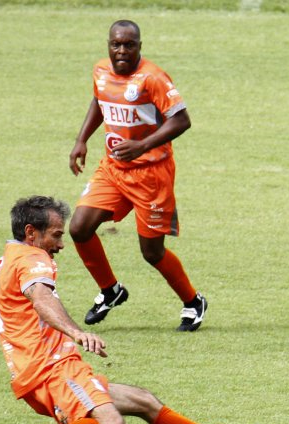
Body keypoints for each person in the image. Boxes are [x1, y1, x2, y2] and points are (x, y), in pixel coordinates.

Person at [0, 196, 262, 424]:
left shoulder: (6, 263)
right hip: (52, 371)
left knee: (144, 401)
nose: (61, 245)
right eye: (56, 236)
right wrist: (76, 331)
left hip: (49, 371)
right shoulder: (34, 260)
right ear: (31, 233)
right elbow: (41, 299)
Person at [68, 19, 206, 331]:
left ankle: (193, 301)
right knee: (79, 228)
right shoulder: (101, 71)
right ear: (108, 44)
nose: (121, 50)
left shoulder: (152, 78)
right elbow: (100, 101)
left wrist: (142, 145)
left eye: (129, 45)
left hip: (151, 175)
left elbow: (182, 120)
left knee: (151, 252)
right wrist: (81, 140)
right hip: (114, 169)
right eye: (116, 44)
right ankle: (110, 290)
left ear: (139, 47)